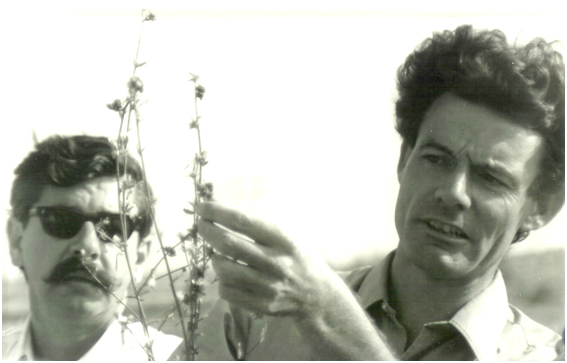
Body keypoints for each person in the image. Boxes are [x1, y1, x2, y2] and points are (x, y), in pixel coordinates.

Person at [177, 25, 565, 360]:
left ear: (541, 208)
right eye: (436, 158)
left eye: (491, 178)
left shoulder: (546, 356)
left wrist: (329, 318)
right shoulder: (258, 315)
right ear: (404, 160)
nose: (453, 192)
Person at [2, 135, 182, 361]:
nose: (87, 246)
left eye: (114, 227)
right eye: (62, 220)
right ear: (17, 241)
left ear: (139, 257)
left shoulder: (180, 357)